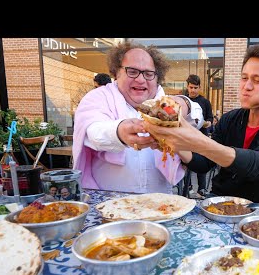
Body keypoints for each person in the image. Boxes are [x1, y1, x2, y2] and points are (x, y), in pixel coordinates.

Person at [144, 44, 259, 205]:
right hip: (218, 201)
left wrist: (198, 141)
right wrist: (176, 146)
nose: (247, 86)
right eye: (244, 77)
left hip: (258, 206)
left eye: (258, 80)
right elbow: (205, 164)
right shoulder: (230, 119)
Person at [73, 41, 202, 193]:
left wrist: (184, 102)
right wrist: (119, 132)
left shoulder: (163, 101)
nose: (141, 80)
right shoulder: (98, 97)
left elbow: (197, 116)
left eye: (148, 74)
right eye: (132, 71)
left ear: (156, 78)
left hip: (161, 204)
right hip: (110, 205)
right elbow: (93, 131)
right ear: (116, 72)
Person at [185, 74, 214, 197]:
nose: (193, 90)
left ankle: (201, 189)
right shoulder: (183, 100)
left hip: (201, 136)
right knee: (187, 164)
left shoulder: (205, 102)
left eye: (195, 88)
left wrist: (207, 123)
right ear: (187, 87)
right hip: (186, 137)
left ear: (200, 87)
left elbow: (210, 119)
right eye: (191, 87)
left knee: (201, 163)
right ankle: (188, 187)